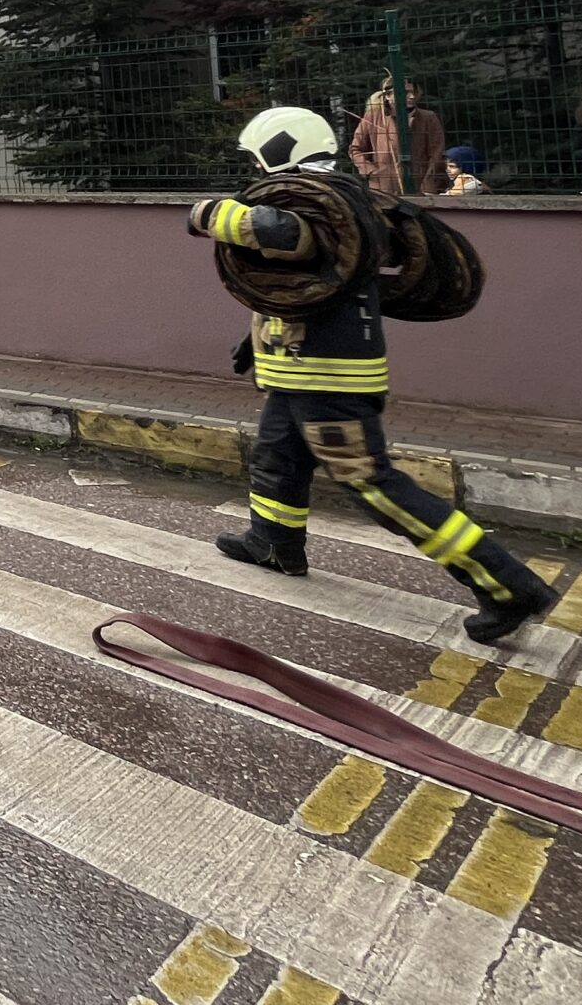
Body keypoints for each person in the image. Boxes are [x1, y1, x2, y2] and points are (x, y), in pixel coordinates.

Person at [193, 106, 555, 643]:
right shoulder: (345, 201)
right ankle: (273, 543)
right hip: (301, 368)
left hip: (325, 375)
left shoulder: (316, 207)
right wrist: (255, 340)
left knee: (371, 481)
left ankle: (507, 585)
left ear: (277, 150)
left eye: (255, 156)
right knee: (277, 455)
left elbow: (282, 235)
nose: (253, 168)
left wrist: (207, 213)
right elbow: (301, 285)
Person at [348, 76, 448, 196]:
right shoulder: (373, 117)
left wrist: (428, 186)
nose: (411, 96)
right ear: (387, 96)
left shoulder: (428, 118)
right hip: (383, 190)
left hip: (420, 188)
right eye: (405, 92)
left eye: (413, 92)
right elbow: (356, 149)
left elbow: (437, 154)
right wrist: (371, 171)